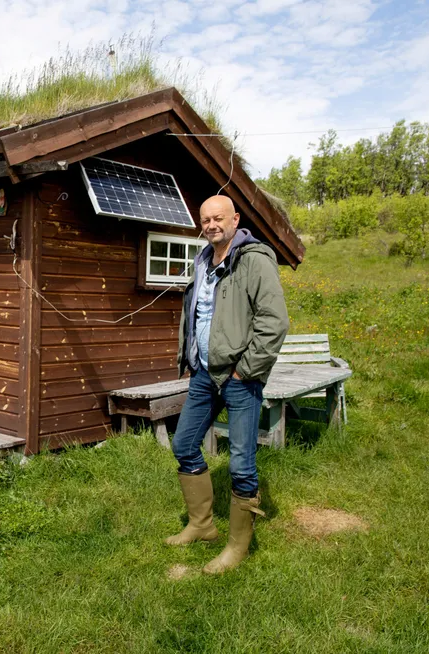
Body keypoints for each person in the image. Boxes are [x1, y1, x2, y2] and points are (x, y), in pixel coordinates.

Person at [166, 194, 289, 574]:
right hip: (204, 373)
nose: (211, 225)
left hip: (239, 376)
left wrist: (245, 369)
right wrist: (191, 357)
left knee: (241, 464)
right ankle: (202, 525)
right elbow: (198, 314)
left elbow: (274, 322)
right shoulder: (202, 260)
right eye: (205, 220)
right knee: (184, 444)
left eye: (218, 218)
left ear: (235, 219)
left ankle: (237, 547)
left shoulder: (254, 260)